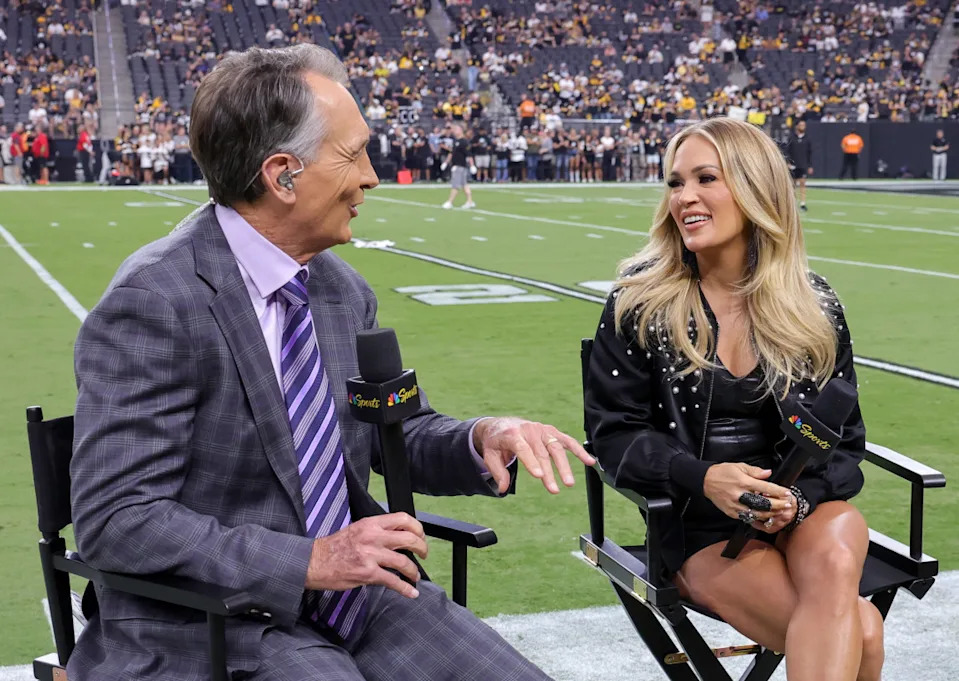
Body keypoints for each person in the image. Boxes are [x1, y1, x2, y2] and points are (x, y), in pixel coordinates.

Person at [69, 45, 595, 681]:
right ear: (283, 175)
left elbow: (391, 434)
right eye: (353, 155)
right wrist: (310, 561)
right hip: (206, 620)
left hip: (354, 597)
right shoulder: (157, 301)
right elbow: (118, 519)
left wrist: (481, 439)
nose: (371, 176)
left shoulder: (341, 290)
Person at [585, 118, 881, 681]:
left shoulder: (813, 305)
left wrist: (796, 500)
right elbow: (613, 436)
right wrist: (704, 477)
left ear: (755, 188)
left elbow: (844, 446)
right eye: (676, 183)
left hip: (804, 512)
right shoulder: (640, 304)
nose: (684, 197)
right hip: (700, 530)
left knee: (840, 543)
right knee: (863, 634)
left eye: (706, 179)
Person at [441, 124, 476, 209]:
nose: (454, 131)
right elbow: (451, 153)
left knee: (455, 185)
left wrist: (472, 165)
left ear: (461, 130)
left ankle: (450, 202)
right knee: (464, 185)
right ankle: (470, 201)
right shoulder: (455, 141)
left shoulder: (464, 142)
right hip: (455, 165)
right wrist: (446, 162)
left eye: (456, 129)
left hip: (460, 166)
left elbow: (469, 154)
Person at [786, 119, 812, 211]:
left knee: (802, 184)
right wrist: (788, 162)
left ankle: (803, 203)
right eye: (801, 125)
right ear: (797, 126)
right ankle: (792, 204)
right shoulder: (791, 138)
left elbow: (809, 153)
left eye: (804, 125)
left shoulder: (807, 138)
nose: (802, 127)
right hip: (793, 165)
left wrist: (810, 165)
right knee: (792, 185)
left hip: (803, 165)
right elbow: (787, 151)